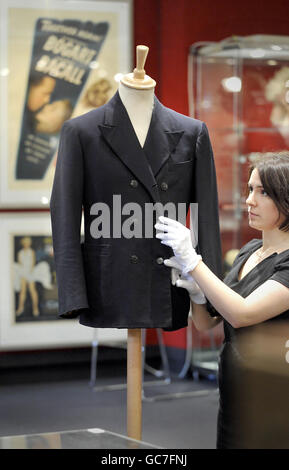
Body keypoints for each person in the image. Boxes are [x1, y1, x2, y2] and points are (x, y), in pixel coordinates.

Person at [155, 151, 289, 449]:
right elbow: (208, 323)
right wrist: (196, 293)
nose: (250, 200)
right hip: (235, 393)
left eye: (263, 192)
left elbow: (243, 314)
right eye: (250, 189)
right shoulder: (248, 251)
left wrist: (193, 262)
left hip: (276, 393)